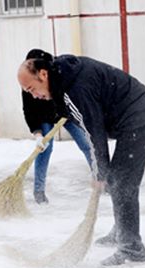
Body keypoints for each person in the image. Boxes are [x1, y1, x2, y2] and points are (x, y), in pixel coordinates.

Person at [17, 49, 145, 266]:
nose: (34, 96)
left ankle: (131, 249)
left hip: (139, 118)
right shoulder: (64, 78)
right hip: (133, 116)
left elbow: (94, 131)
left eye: (31, 89)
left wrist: (99, 172)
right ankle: (122, 231)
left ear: (43, 75)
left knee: (122, 182)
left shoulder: (74, 89)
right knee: (117, 179)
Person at [22, 50, 93, 204]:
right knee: (45, 150)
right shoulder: (29, 84)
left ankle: (103, 179)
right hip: (44, 117)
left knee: (86, 144)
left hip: (64, 113)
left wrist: (69, 110)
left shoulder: (55, 73)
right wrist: (38, 134)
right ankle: (39, 192)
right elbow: (28, 110)